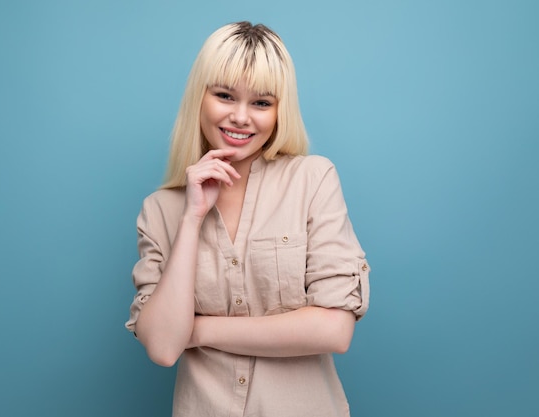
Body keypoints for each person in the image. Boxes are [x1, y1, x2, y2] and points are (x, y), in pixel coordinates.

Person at [125, 21, 370, 417]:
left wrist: (199, 329)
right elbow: (164, 347)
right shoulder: (160, 210)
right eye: (224, 95)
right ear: (199, 98)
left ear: (279, 111)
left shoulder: (312, 179)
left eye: (261, 103)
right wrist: (191, 218)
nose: (241, 117)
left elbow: (334, 330)